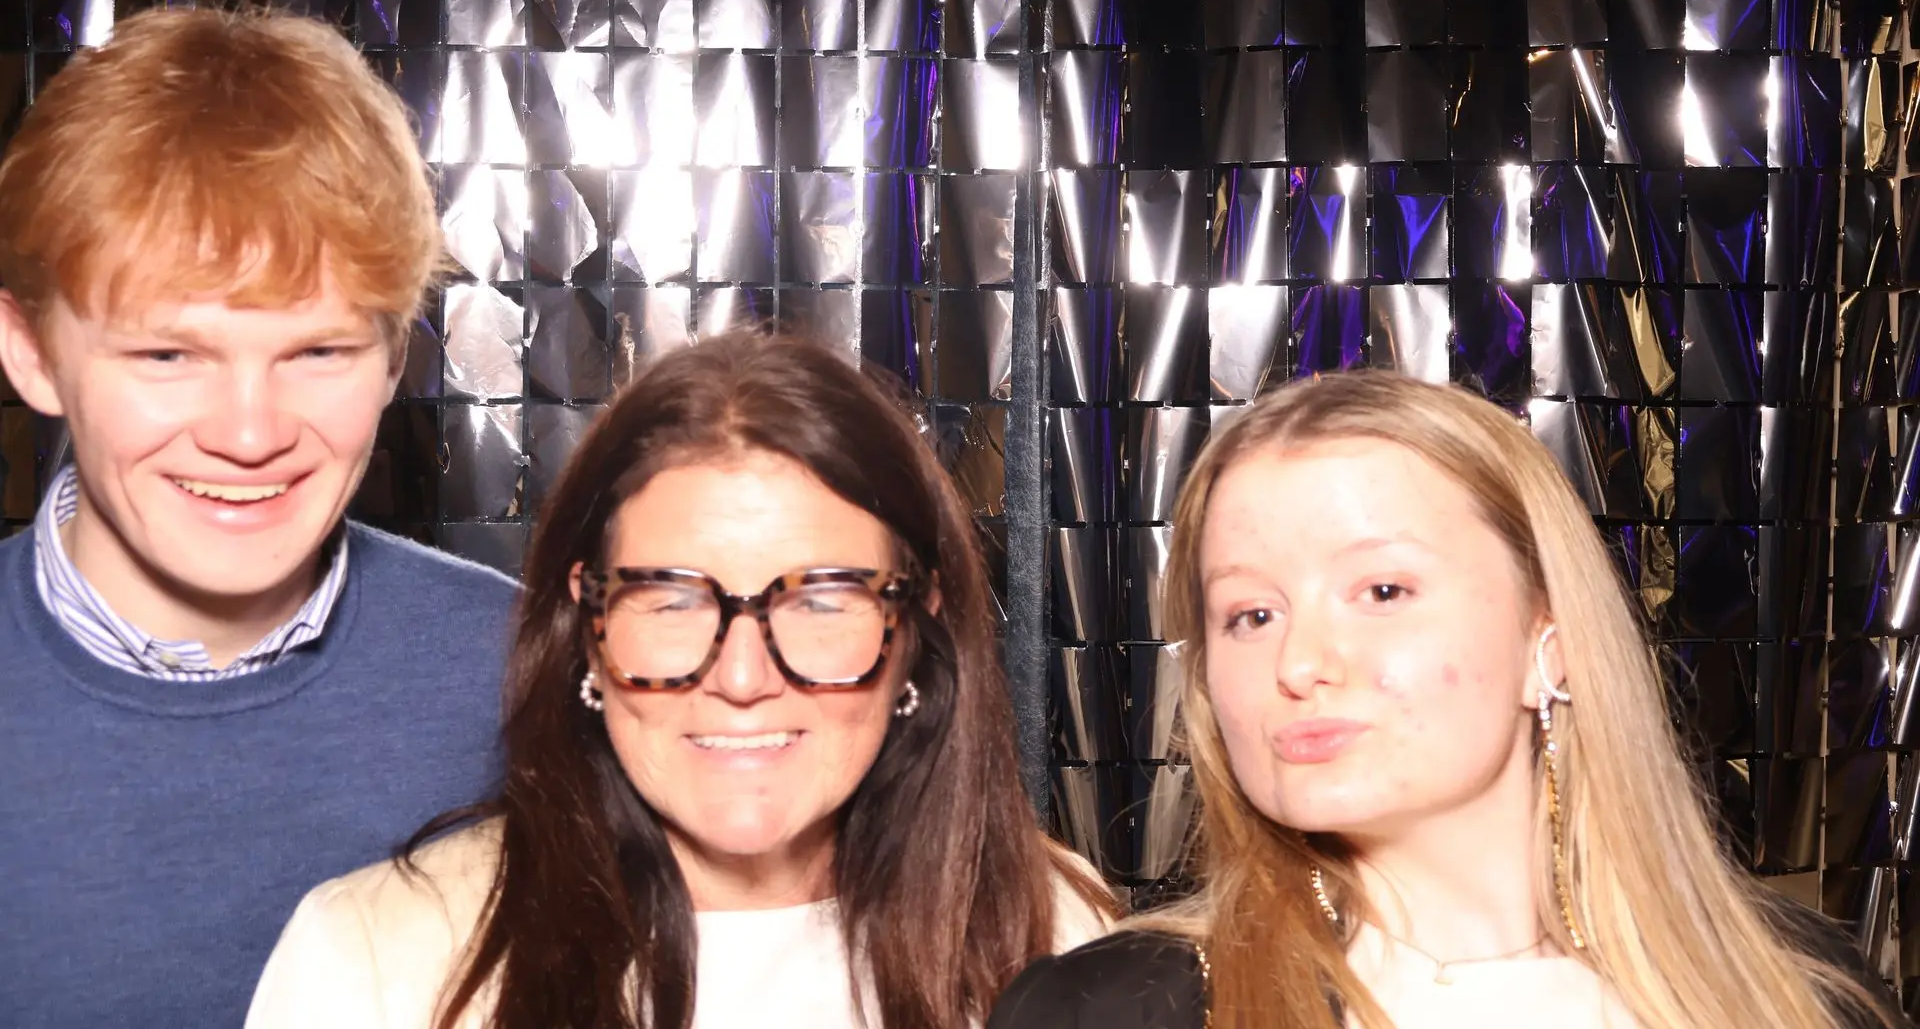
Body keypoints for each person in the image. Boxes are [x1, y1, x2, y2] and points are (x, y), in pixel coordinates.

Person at [247, 331, 1114, 1029]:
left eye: (820, 600)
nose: (741, 676)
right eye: (672, 601)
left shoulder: (1058, 936)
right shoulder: (372, 965)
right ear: (586, 629)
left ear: (916, 632)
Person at [989, 371, 1907, 1029]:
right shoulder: (1111, 1009)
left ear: (1550, 644)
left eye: (1382, 591)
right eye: (1251, 614)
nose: (1298, 663)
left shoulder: (1802, 992)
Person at [0, 7, 515, 1027]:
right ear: (31, 353)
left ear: (394, 359)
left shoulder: (529, 674)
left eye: (319, 351)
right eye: (168, 354)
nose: (249, 433)